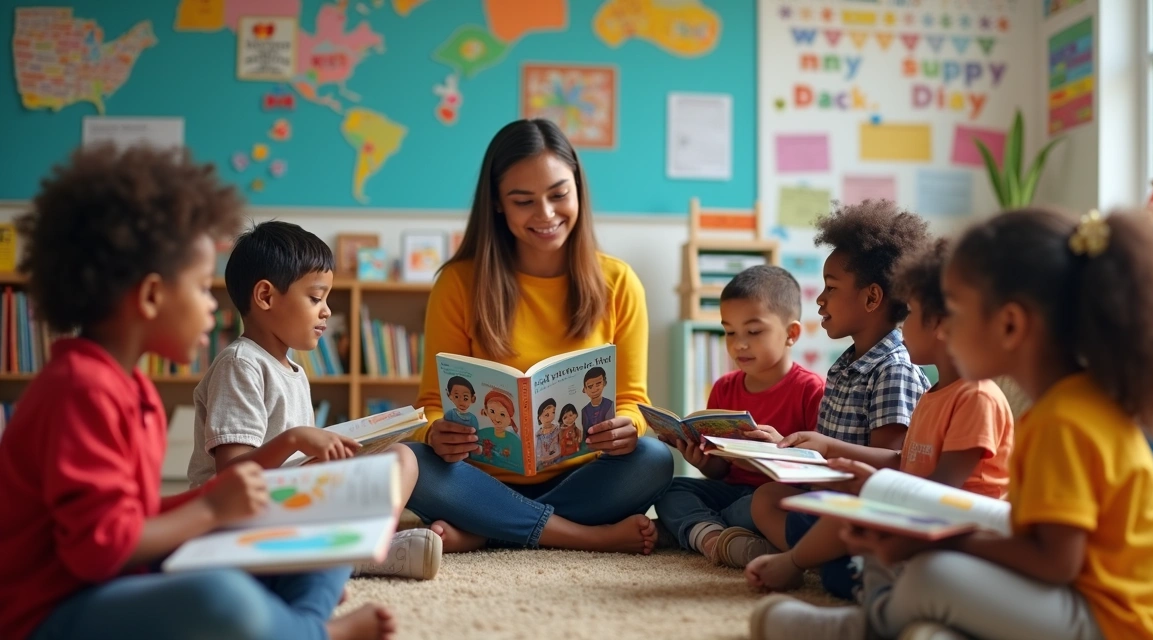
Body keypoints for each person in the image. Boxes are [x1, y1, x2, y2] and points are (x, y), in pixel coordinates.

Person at [751, 208, 1153, 640]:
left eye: (957, 310)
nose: (943, 327)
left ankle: (867, 627)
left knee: (932, 572)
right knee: (888, 505)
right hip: (1077, 589)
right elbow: (1034, 529)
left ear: (1009, 325)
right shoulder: (1063, 405)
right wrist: (893, 497)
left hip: (1110, 620)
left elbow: (1055, 563)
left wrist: (935, 544)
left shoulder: (1065, 422)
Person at [0, 144, 396, 640]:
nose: (212, 309)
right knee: (220, 599)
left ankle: (292, 624)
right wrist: (210, 511)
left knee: (326, 548)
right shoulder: (80, 391)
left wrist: (215, 506)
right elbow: (99, 549)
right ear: (150, 297)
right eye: (198, 289)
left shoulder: (131, 386)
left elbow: (135, 519)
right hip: (51, 611)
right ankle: (314, 633)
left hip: (116, 579)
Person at [405, 119, 673, 554]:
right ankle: (583, 537)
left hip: (582, 475)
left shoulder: (619, 282)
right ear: (497, 204)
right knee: (411, 462)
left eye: (559, 194)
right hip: (480, 477)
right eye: (523, 200)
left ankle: (486, 531)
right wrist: (436, 433)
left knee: (653, 460)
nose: (546, 214)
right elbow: (431, 406)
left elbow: (632, 400)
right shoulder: (458, 283)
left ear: (579, 190)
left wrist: (629, 426)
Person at [745, 238, 1015, 597]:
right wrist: (858, 473)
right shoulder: (934, 394)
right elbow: (905, 461)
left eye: (912, 312)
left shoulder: (976, 396)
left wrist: (876, 490)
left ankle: (808, 563)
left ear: (940, 325)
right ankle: (806, 561)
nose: (902, 325)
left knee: (844, 563)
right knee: (830, 532)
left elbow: (941, 491)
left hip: (950, 529)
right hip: (915, 515)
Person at [187, 220, 440, 579]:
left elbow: (300, 460)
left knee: (403, 457)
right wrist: (296, 439)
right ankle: (354, 552)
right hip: (234, 510)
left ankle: (369, 541)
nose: (327, 311)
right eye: (314, 297)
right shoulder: (240, 364)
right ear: (266, 297)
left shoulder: (293, 370)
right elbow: (231, 475)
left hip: (287, 496)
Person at [655, 265, 824, 568]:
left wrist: (773, 455)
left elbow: (818, 475)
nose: (738, 344)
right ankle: (713, 539)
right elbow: (719, 471)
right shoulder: (724, 387)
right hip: (731, 491)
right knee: (670, 489)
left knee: (753, 507)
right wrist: (704, 462)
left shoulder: (811, 390)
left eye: (754, 331)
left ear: (791, 333)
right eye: (729, 332)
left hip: (773, 498)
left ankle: (693, 530)